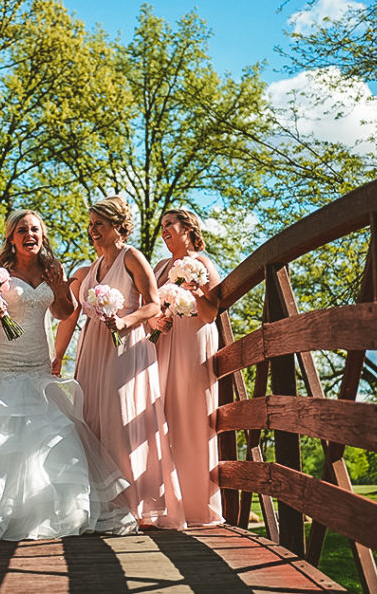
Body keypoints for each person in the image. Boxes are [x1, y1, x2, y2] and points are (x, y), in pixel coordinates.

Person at [0, 210, 137, 542]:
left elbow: (63, 312)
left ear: (42, 235)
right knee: (2, 432)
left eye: (35, 229)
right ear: (12, 238)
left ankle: (48, 513)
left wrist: (61, 287)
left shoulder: (51, 270)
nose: (29, 234)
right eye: (22, 230)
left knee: (50, 431)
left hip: (37, 361)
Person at [75, 196, 184, 529]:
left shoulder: (132, 257)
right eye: (91, 225)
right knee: (92, 417)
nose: (93, 231)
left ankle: (134, 505)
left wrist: (124, 322)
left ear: (118, 227)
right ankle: (100, 505)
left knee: (122, 421)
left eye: (100, 225)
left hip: (124, 346)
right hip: (93, 346)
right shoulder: (94, 266)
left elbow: (153, 305)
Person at [149, 209, 224, 527]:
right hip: (164, 344)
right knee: (159, 418)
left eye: (170, 224)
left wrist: (195, 291)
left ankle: (197, 507)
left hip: (193, 344)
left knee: (193, 418)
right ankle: (165, 505)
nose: (164, 230)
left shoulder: (204, 264)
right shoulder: (159, 268)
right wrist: (156, 320)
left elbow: (212, 313)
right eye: (162, 226)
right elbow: (150, 309)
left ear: (188, 228)